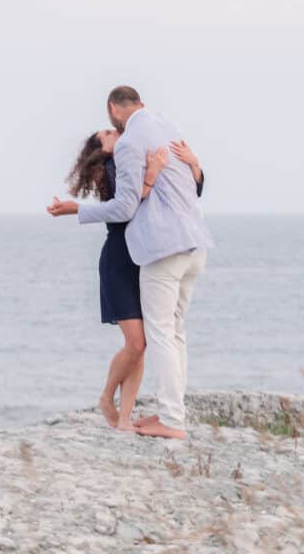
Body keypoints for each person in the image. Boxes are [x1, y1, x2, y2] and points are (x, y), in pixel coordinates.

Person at [48, 86, 213, 439]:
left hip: (154, 251)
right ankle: (141, 409)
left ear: (113, 108)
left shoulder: (132, 146)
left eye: (110, 127)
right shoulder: (135, 148)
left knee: (156, 338)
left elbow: (177, 188)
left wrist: (192, 164)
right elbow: (126, 207)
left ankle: (162, 417)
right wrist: (151, 176)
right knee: (154, 337)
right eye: (107, 135)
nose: (114, 134)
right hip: (137, 254)